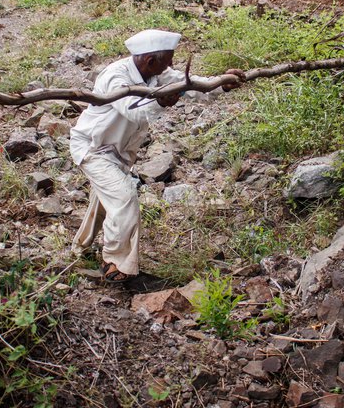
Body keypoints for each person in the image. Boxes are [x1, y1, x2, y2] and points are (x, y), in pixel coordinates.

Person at [69, 29, 245, 283]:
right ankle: (116, 264)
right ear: (150, 60)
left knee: (105, 204)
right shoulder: (115, 77)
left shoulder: (156, 73)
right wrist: (161, 103)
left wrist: (221, 83)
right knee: (124, 199)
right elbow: (134, 112)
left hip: (119, 152)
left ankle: (80, 248)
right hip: (94, 149)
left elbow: (190, 85)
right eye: (168, 59)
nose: (171, 65)